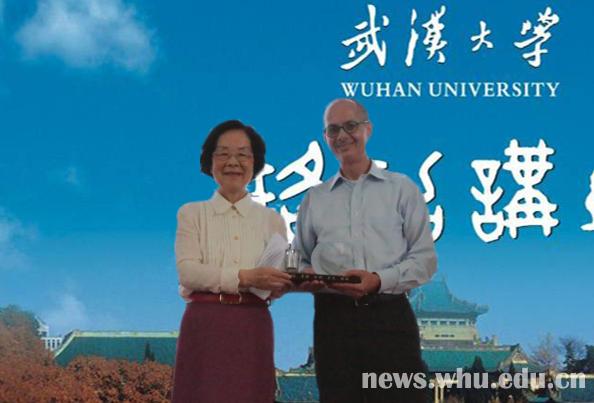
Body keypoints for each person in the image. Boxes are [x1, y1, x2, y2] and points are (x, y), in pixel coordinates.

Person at [292, 99, 437, 402]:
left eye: (350, 126)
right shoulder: (315, 198)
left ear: (367, 129)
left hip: (390, 317)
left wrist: (378, 280)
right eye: (333, 130)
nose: (342, 136)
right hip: (333, 322)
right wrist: (306, 276)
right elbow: (299, 258)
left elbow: (424, 260)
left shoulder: (402, 189)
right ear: (326, 137)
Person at [172, 120, 293, 403]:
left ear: (255, 162)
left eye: (243, 154)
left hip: (253, 323)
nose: (233, 162)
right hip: (205, 321)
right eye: (223, 154)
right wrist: (246, 278)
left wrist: (280, 284)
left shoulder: (272, 220)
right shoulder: (191, 214)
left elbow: (277, 276)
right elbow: (188, 272)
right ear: (210, 161)